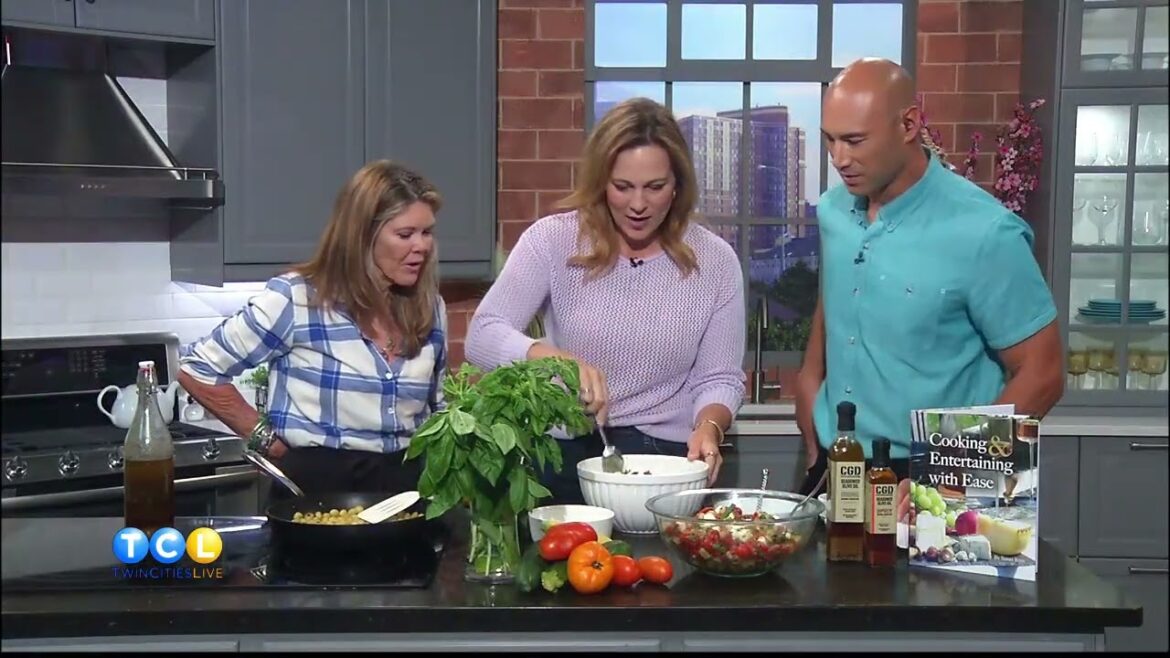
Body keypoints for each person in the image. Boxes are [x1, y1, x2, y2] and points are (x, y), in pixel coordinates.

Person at [795, 58, 1065, 501]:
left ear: (909, 123)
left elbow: (1044, 373)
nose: (839, 158)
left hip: (934, 473)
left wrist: (952, 478)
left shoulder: (986, 232)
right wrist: (809, 393)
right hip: (834, 463)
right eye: (830, 139)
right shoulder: (831, 211)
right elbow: (841, 295)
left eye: (855, 140)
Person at [465, 97, 746, 504]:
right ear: (600, 182)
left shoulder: (715, 261)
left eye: (654, 187)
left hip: (666, 460)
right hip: (565, 453)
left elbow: (719, 377)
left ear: (678, 186)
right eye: (622, 187)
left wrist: (709, 427)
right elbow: (482, 336)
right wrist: (555, 360)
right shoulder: (553, 240)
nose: (637, 205)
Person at [178, 160, 448, 500]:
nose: (421, 246)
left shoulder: (430, 307)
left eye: (427, 232)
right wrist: (265, 439)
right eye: (406, 234)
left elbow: (438, 411)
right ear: (362, 235)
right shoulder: (297, 299)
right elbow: (199, 368)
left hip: (406, 499)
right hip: (316, 499)